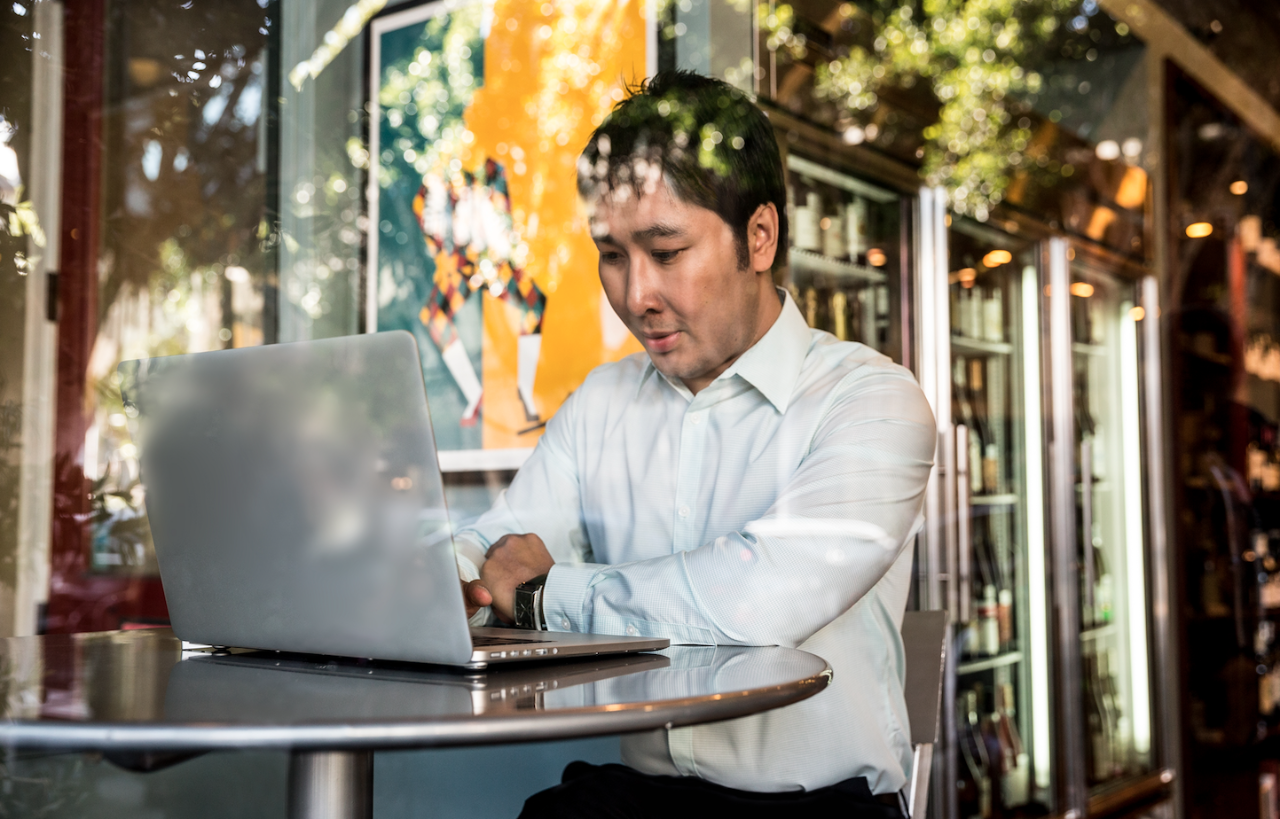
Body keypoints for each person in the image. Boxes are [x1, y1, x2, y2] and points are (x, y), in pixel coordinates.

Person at [454, 70, 935, 819]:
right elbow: (497, 548)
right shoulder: (601, 405)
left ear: (760, 237)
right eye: (611, 254)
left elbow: (749, 601)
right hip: (641, 800)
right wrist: (443, 580)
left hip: (817, 808)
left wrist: (548, 596)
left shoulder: (871, 400)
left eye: (666, 250)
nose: (634, 294)